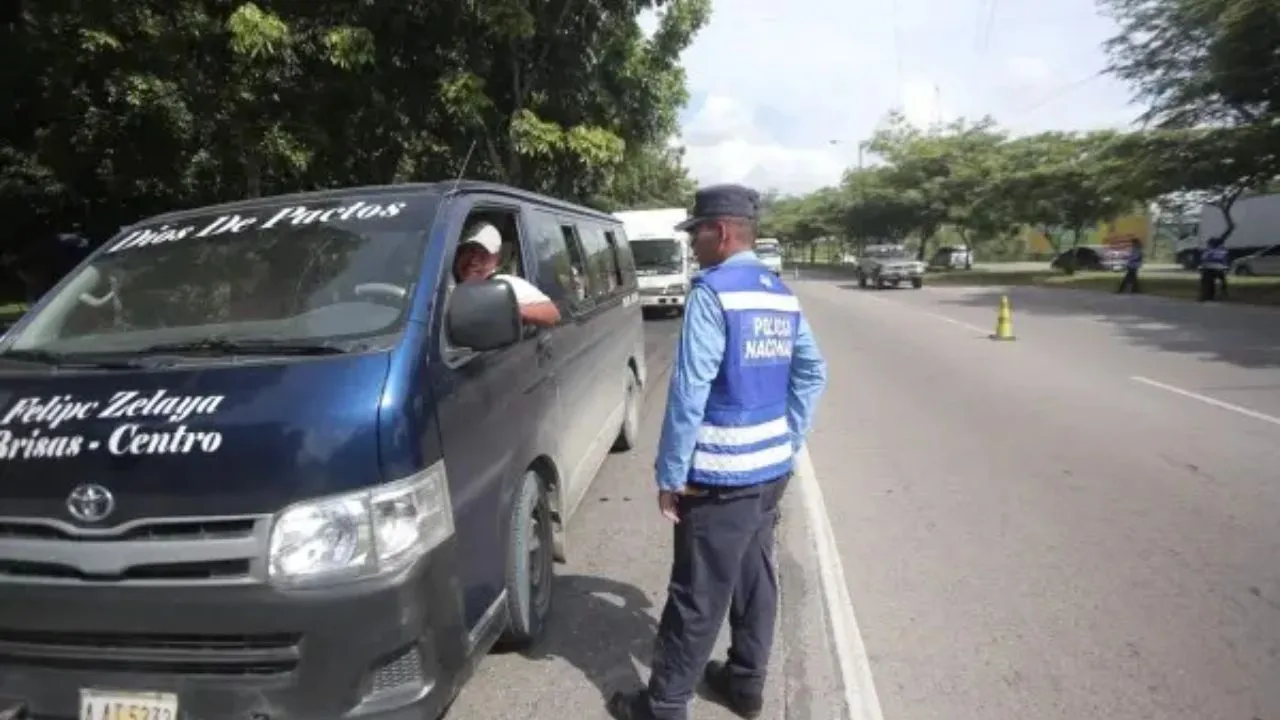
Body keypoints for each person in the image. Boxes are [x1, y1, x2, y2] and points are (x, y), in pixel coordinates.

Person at [608, 185, 828, 720]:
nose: (693, 244)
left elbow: (690, 391)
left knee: (697, 593)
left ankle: (664, 706)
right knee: (754, 578)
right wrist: (788, 436)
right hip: (770, 469)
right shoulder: (777, 292)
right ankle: (745, 683)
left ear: (722, 233)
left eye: (697, 233)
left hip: (720, 475)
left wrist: (670, 472)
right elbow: (812, 371)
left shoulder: (712, 292)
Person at [453, 221, 561, 327]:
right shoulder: (444, 280)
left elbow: (552, 314)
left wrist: (508, 311)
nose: (473, 260)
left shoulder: (505, 284)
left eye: (483, 254)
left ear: (497, 260)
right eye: (469, 251)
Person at [1198, 237, 1230, 302]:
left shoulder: (1208, 250)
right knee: (1223, 278)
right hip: (1220, 269)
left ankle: (1204, 295)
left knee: (1205, 279)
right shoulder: (1223, 250)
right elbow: (1225, 260)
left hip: (1209, 269)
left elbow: (1204, 259)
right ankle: (1223, 290)